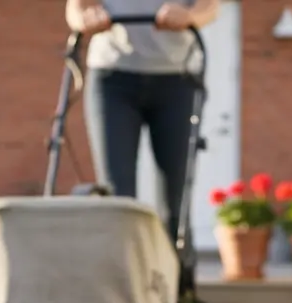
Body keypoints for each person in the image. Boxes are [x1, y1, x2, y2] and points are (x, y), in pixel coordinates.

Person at [66, 0, 221, 243]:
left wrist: (190, 16)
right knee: (117, 194)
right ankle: (122, 272)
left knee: (176, 197)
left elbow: (210, 7)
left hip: (177, 79)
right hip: (112, 79)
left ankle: (176, 271)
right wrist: (86, 19)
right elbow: (75, 10)